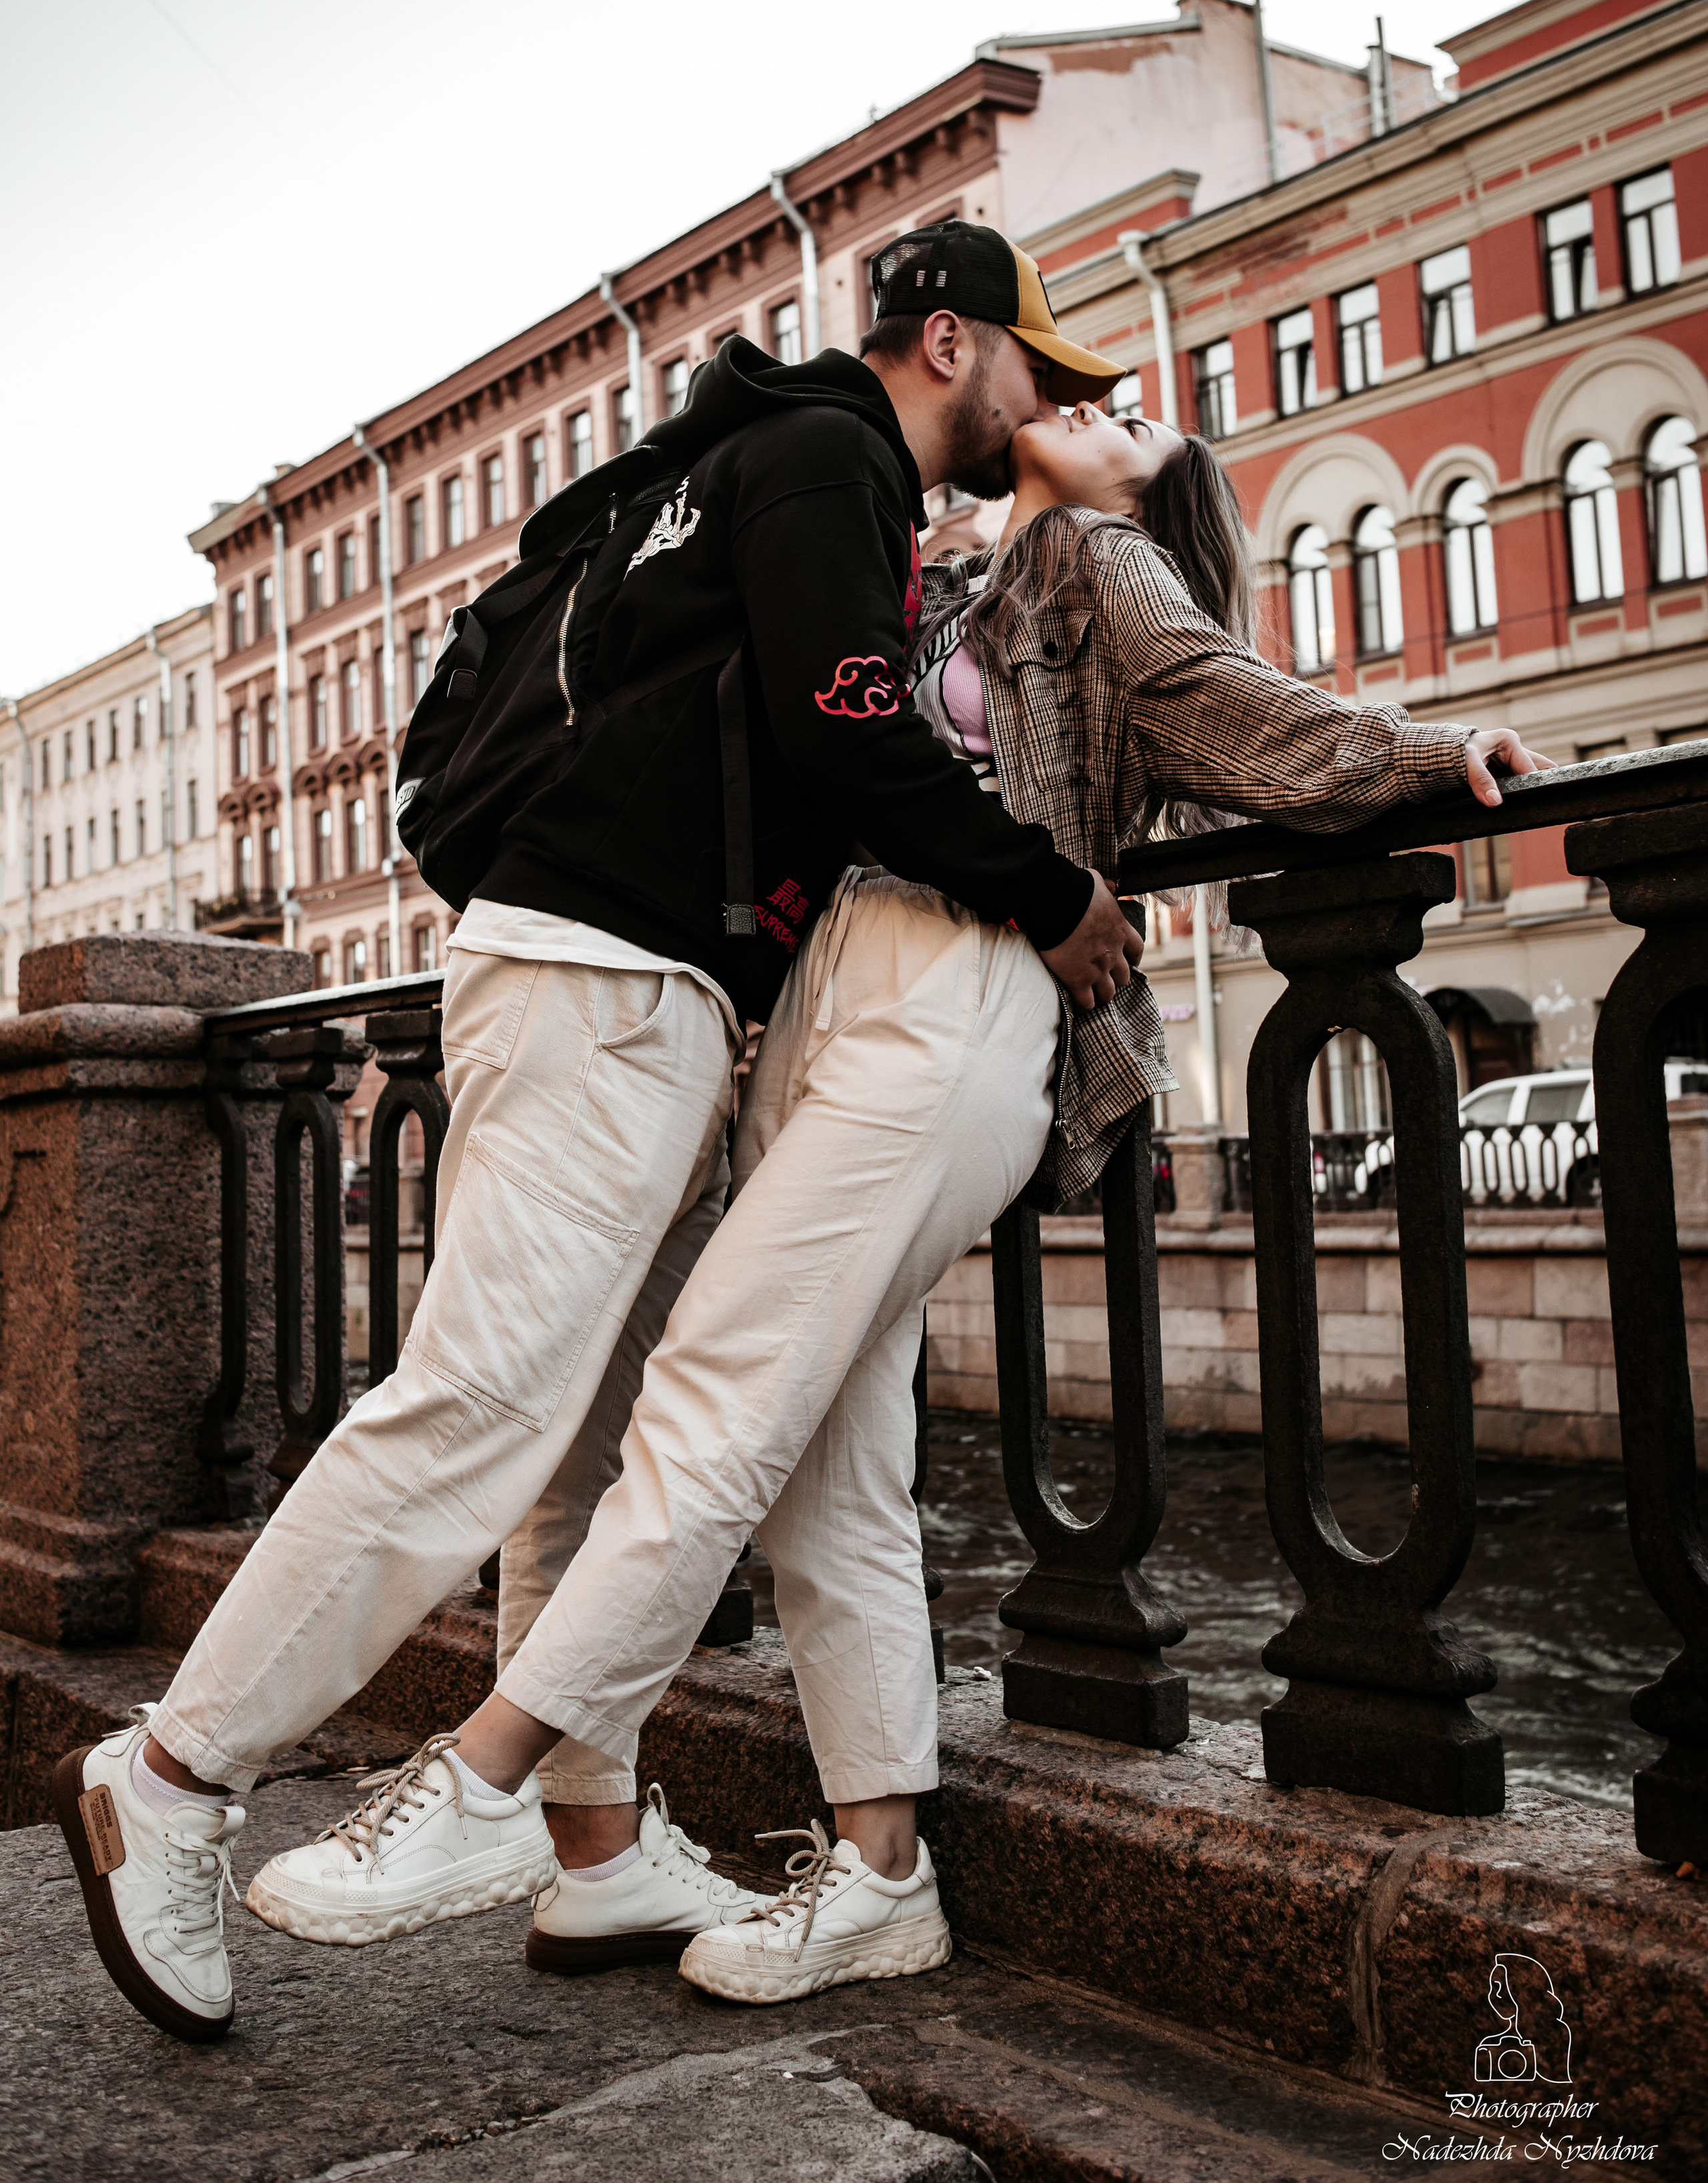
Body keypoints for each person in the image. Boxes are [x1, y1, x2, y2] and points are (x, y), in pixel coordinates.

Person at [230, 236, 1549, 2009]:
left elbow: (1249, 714)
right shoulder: (939, 575)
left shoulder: (1104, 563)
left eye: (1126, 411)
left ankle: (487, 1772)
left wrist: (1423, 747)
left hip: (962, 1002)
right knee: (826, 1471)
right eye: (1072, 382)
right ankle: (879, 1871)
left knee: (709, 1386)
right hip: (831, 1011)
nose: (1092, 406)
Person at [52, 224, 1146, 2044]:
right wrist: (1044, 888)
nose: (1041, 402)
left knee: (578, 1434)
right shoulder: (828, 460)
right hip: (613, 979)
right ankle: (172, 1774)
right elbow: (848, 721)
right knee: (480, 1399)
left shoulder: (739, 463)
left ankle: (596, 1840)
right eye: (1035, 365)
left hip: (598, 969)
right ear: (950, 341)